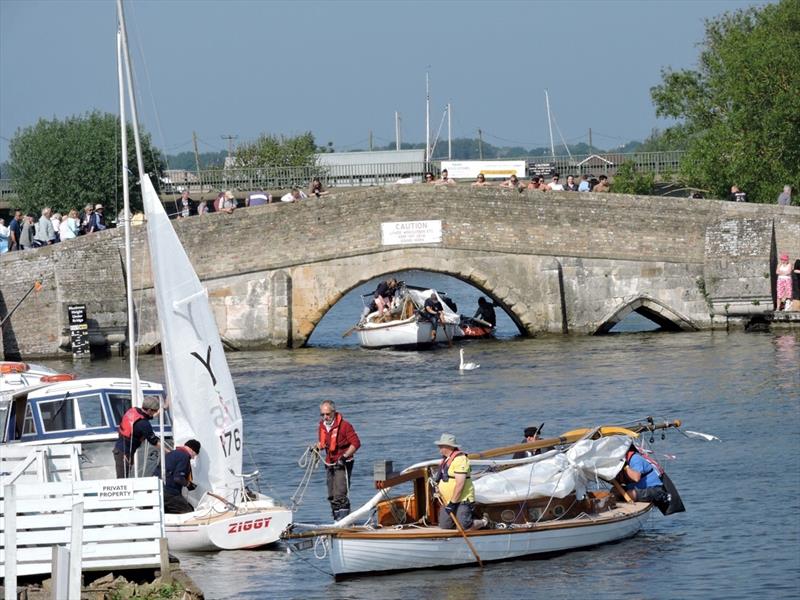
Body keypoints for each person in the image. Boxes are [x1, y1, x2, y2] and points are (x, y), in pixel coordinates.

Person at [317, 400, 361, 520]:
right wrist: (316, 448)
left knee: (340, 494)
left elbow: (356, 443)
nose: (325, 417)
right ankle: (337, 520)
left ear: (334, 412)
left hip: (343, 463)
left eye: (327, 414)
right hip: (330, 463)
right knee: (331, 495)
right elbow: (323, 443)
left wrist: (345, 456)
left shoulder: (345, 426)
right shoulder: (322, 427)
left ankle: (344, 521)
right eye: (322, 415)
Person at [434, 433, 486, 530]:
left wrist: (453, 503)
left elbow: (460, 484)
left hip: (462, 500)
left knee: (464, 526)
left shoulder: (460, 460)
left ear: (448, 447)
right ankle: (462, 522)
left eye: (441, 446)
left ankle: (483, 522)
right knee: (445, 526)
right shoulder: (446, 459)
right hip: (448, 500)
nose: (439, 448)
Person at [113, 396, 163, 478]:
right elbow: (154, 442)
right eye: (155, 411)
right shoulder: (143, 424)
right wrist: (171, 452)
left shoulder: (134, 410)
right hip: (123, 453)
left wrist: (158, 412)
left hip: (121, 450)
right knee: (122, 479)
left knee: (125, 477)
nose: (155, 413)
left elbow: (143, 419)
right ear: (149, 410)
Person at [158, 439, 201, 514]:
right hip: (169, 491)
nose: (193, 458)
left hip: (158, 488)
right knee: (188, 513)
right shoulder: (184, 456)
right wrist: (189, 484)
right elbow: (178, 478)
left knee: (168, 513)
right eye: (195, 455)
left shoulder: (171, 453)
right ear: (191, 450)